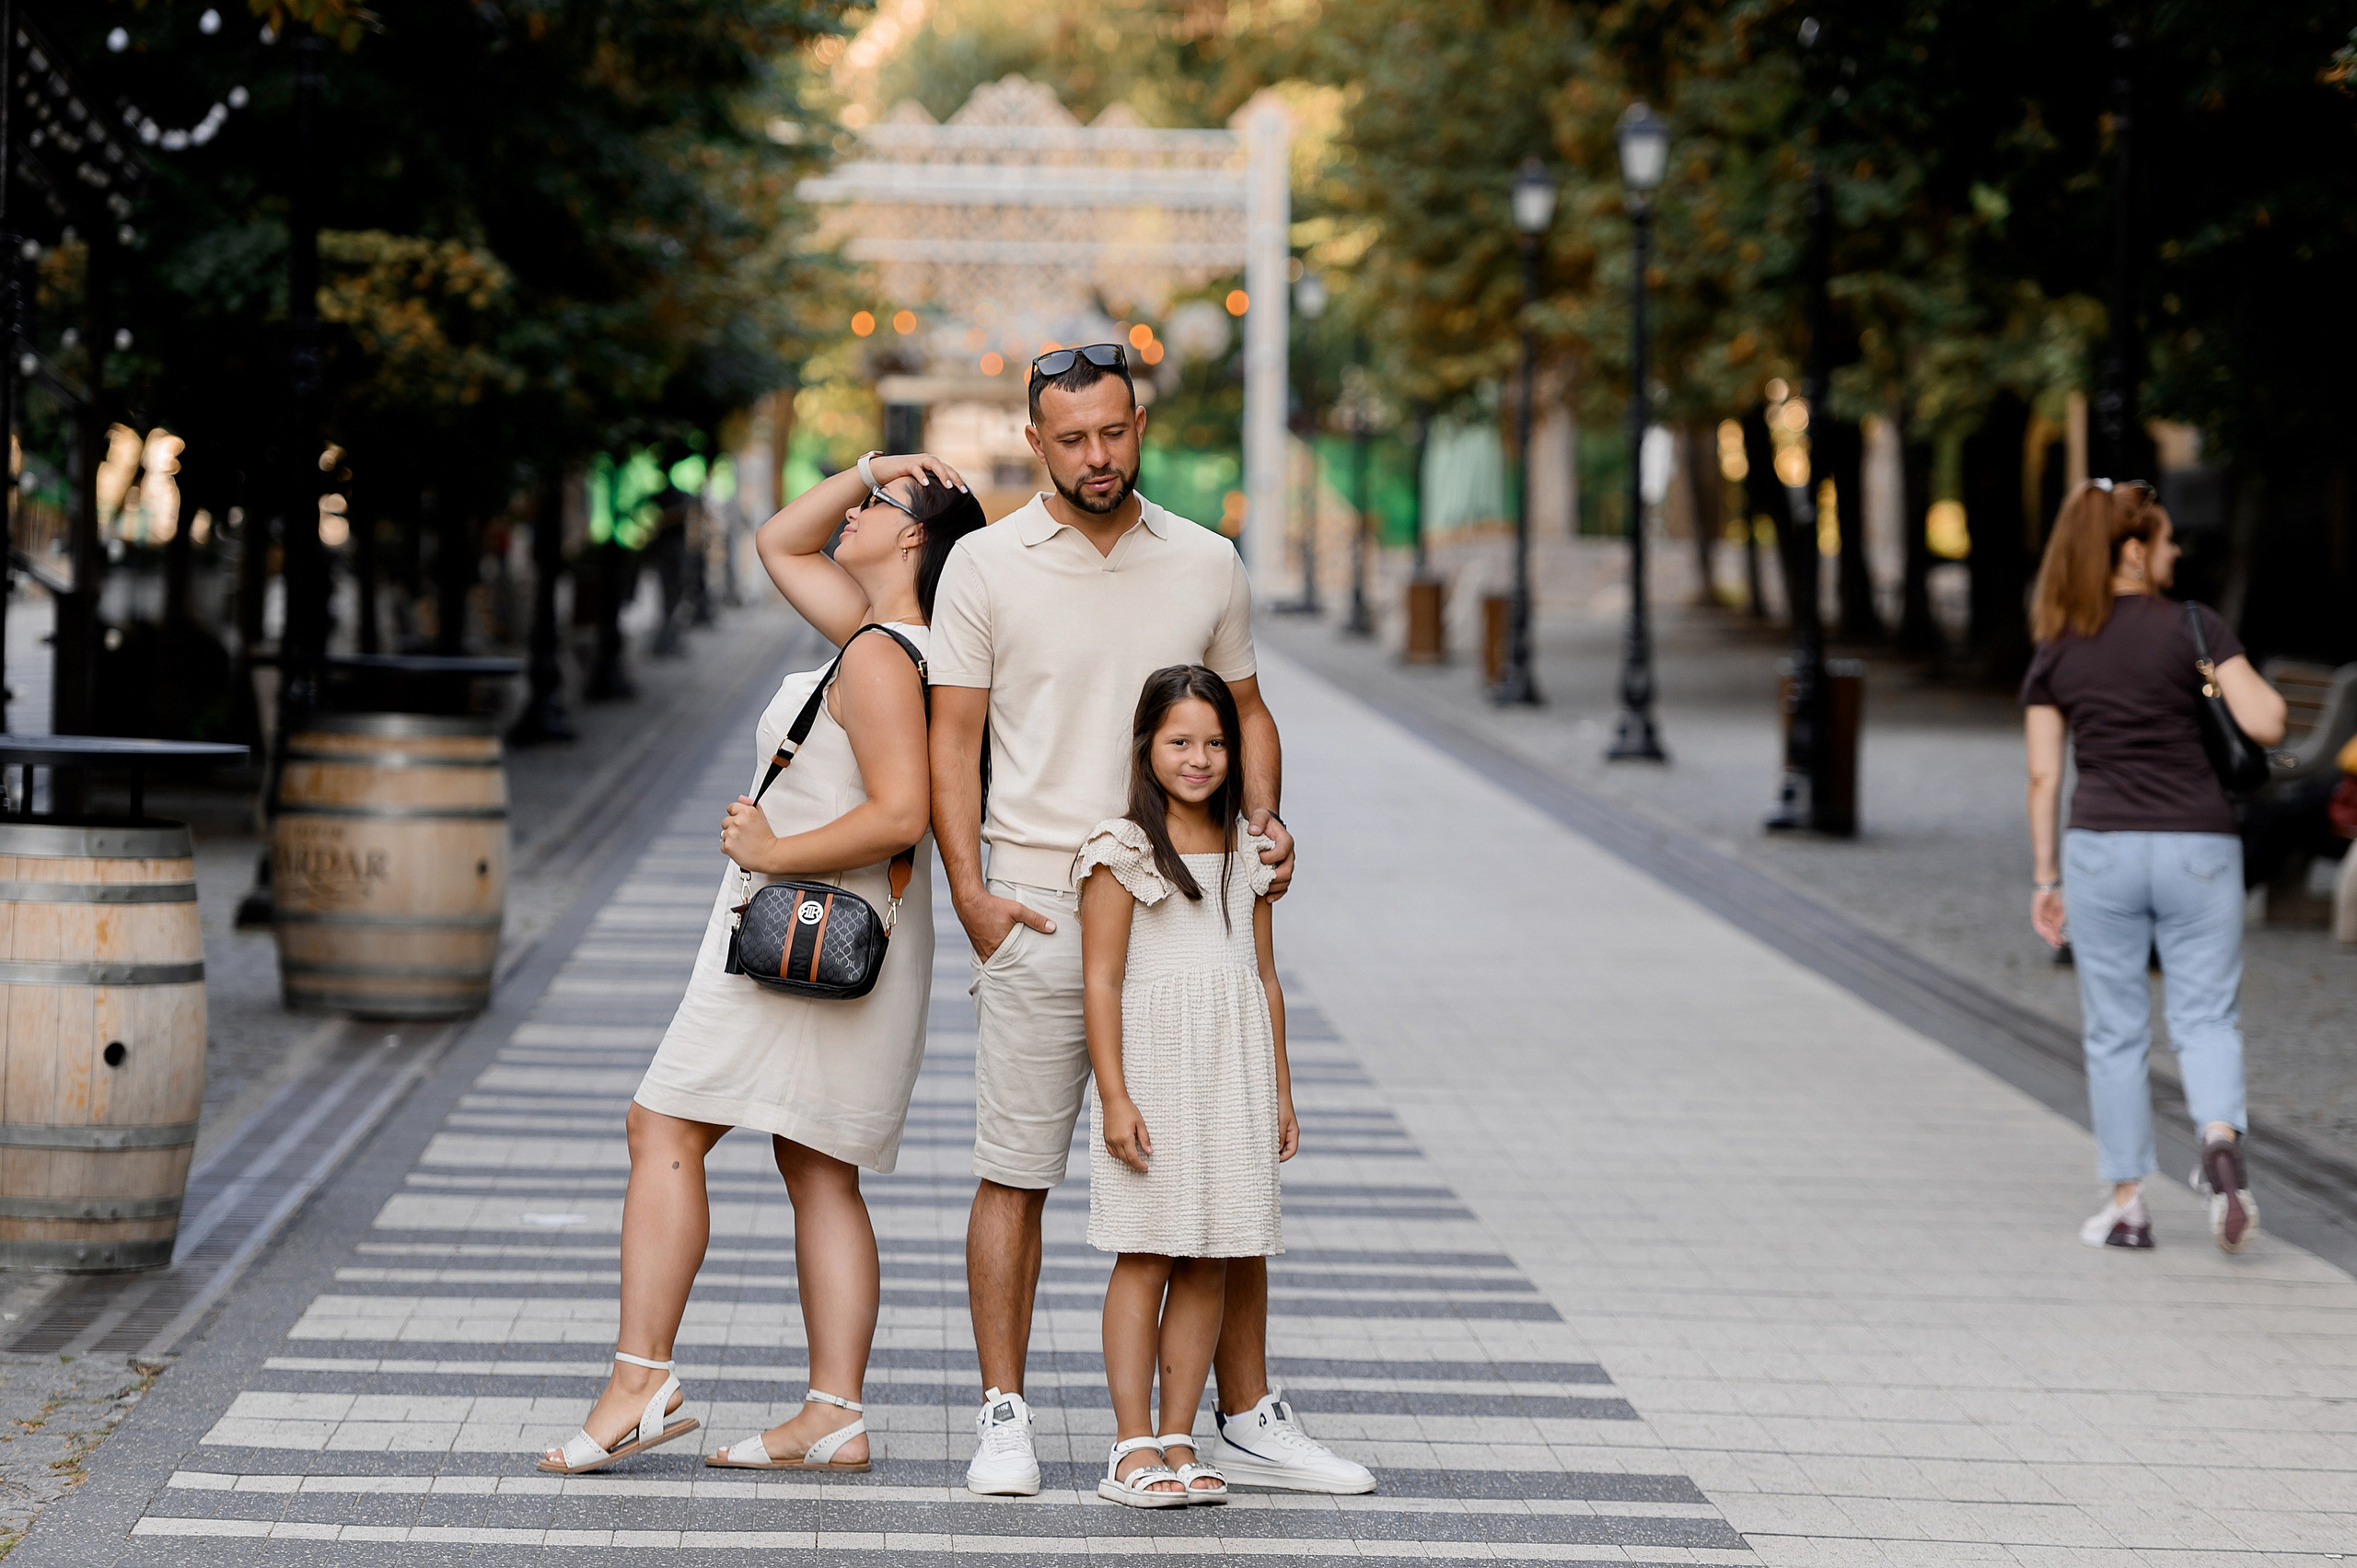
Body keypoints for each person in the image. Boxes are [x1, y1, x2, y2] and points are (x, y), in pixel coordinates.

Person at [929, 342, 1375, 1497]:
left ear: (1140, 426)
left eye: (1114, 432)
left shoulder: (1207, 559)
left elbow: (1247, 709)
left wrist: (1264, 822)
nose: (1095, 455)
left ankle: (1245, 1413)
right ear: (1034, 440)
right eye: (1071, 437)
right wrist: (971, 894)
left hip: (1186, 908)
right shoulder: (981, 565)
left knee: (1217, 1172)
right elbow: (950, 741)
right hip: (1036, 896)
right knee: (1015, 1166)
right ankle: (1004, 1412)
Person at [539, 452, 984, 1475]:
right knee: (817, 1166)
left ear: (912, 536)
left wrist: (768, 849)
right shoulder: (905, 642)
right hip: (855, 945)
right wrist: (868, 464)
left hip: (801, 929)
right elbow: (779, 539)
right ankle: (833, 1411)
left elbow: (899, 813)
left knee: (662, 1124)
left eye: (875, 504)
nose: (856, 510)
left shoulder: (877, 653)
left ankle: (639, 1378)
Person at [2022, 478, 2286, 1255]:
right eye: (2167, 540)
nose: (2176, 552)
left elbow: (2043, 775)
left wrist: (2045, 878)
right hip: (2199, 846)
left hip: (2101, 847)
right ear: (2134, 549)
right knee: (2206, 1014)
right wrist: (2209, 673)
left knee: (2115, 1030)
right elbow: (2266, 720)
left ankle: (2130, 1204)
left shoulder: (2059, 646)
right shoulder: (2194, 627)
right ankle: (2217, 1139)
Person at [1078, 667, 1296, 1507]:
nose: (1200, 757)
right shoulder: (1121, 849)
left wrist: (1279, 1090)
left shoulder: (1252, 849)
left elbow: (1265, 975)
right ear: (1147, 747)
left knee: (1212, 1252)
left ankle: (1179, 1435)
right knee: (1147, 1251)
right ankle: (1131, 1442)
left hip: (1232, 1073)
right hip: (1159, 1073)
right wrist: (1115, 1096)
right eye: (1180, 741)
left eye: (1214, 741)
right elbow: (1100, 981)